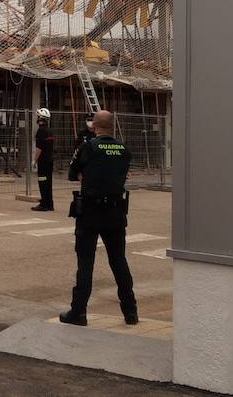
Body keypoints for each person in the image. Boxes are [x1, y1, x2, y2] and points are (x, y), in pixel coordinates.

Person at [60, 109, 138, 326]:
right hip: (116, 212)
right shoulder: (124, 149)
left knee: (86, 263)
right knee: (119, 261)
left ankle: (79, 312)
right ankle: (130, 312)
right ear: (112, 126)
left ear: (94, 125)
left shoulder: (88, 147)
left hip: (91, 212)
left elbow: (72, 173)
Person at [31, 108, 54, 212]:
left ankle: (44, 204)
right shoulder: (49, 130)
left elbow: (39, 148)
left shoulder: (41, 131)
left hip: (43, 161)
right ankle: (49, 203)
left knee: (42, 182)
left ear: (40, 118)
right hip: (50, 160)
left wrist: (34, 161)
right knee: (49, 182)